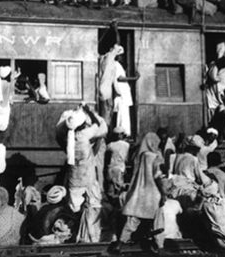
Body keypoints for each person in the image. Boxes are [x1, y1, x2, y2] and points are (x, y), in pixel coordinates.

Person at [56, 105, 107, 242]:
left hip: (74, 180)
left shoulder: (68, 138)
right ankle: (88, 236)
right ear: (84, 124)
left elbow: (58, 133)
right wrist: (92, 112)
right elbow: (103, 128)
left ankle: (74, 235)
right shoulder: (85, 135)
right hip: (87, 180)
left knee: (75, 209)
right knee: (92, 207)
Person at [115, 133, 167, 251]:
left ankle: (120, 243)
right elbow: (158, 176)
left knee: (133, 220)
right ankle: (160, 246)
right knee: (157, 220)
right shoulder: (155, 157)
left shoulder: (140, 156)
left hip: (139, 192)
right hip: (153, 193)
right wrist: (163, 193)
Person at [113, 45, 139, 136]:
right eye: (120, 55)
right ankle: (123, 134)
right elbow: (120, 78)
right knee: (122, 115)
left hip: (124, 94)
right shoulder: (116, 64)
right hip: (121, 94)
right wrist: (134, 78)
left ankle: (125, 133)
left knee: (124, 114)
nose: (122, 57)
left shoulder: (119, 65)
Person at [106, 126, 130, 200]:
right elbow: (127, 158)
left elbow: (107, 157)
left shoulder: (110, 145)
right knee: (119, 189)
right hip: (120, 168)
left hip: (111, 168)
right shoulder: (126, 145)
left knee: (111, 190)